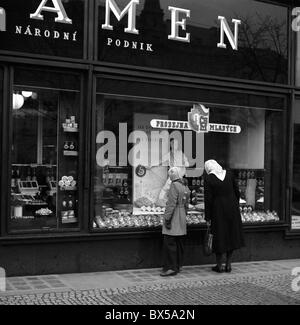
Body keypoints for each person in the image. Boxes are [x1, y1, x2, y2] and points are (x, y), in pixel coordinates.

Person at [204, 159, 245, 273]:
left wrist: (208, 217)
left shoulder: (209, 178)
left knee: (219, 236)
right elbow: (237, 191)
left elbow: (208, 199)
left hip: (218, 210)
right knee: (231, 235)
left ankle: (219, 265)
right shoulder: (229, 174)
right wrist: (235, 205)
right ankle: (228, 264)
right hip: (232, 208)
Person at [160, 167, 191, 276]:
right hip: (181, 214)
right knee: (179, 242)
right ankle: (178, 265)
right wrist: (184, 213)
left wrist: (167, 219)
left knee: (170, 242)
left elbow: (171, 204)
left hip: (174, 216)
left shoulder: (174, 185)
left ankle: (171, 267)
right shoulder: (185, 185)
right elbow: (187, 203)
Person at [158, 138, 189, 203]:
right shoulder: (169, 155)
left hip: (180, 176)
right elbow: (160, 161)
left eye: (176, 144)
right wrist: (151, 165)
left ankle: (180, 203)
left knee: (181, 190)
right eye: (174, 144)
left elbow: (187, 164)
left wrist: (184, 164)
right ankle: (160, 201)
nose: (175, 145)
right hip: (173, 175)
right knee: (166, 188)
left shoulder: (181, 153)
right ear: (171, 145)